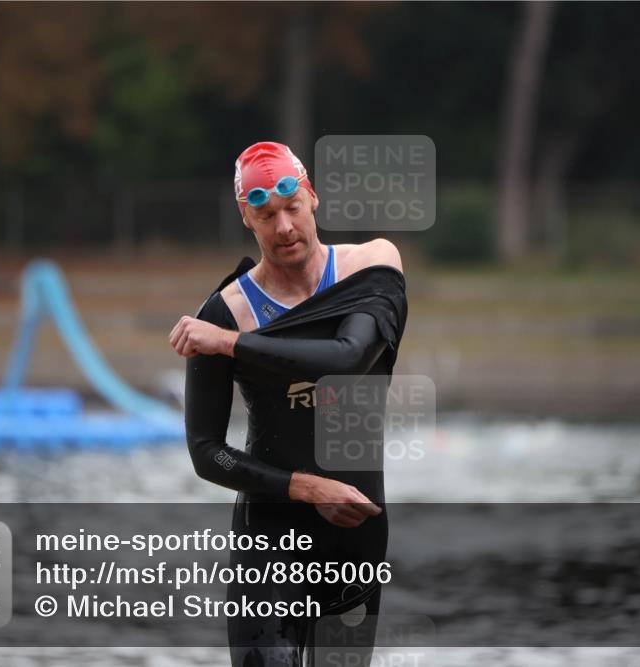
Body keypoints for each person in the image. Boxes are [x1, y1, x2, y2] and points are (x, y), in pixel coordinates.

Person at [169, 141, 408, 666]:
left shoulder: (370, 267)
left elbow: (348, 358)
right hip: (268, 545)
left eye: (292, 207)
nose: (283, 227)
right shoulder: (229, 308)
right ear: (246, 218)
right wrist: (304, 488)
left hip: (355, 540)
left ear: (313, 198)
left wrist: (230, 344)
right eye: (266, 215)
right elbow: (207, 452)